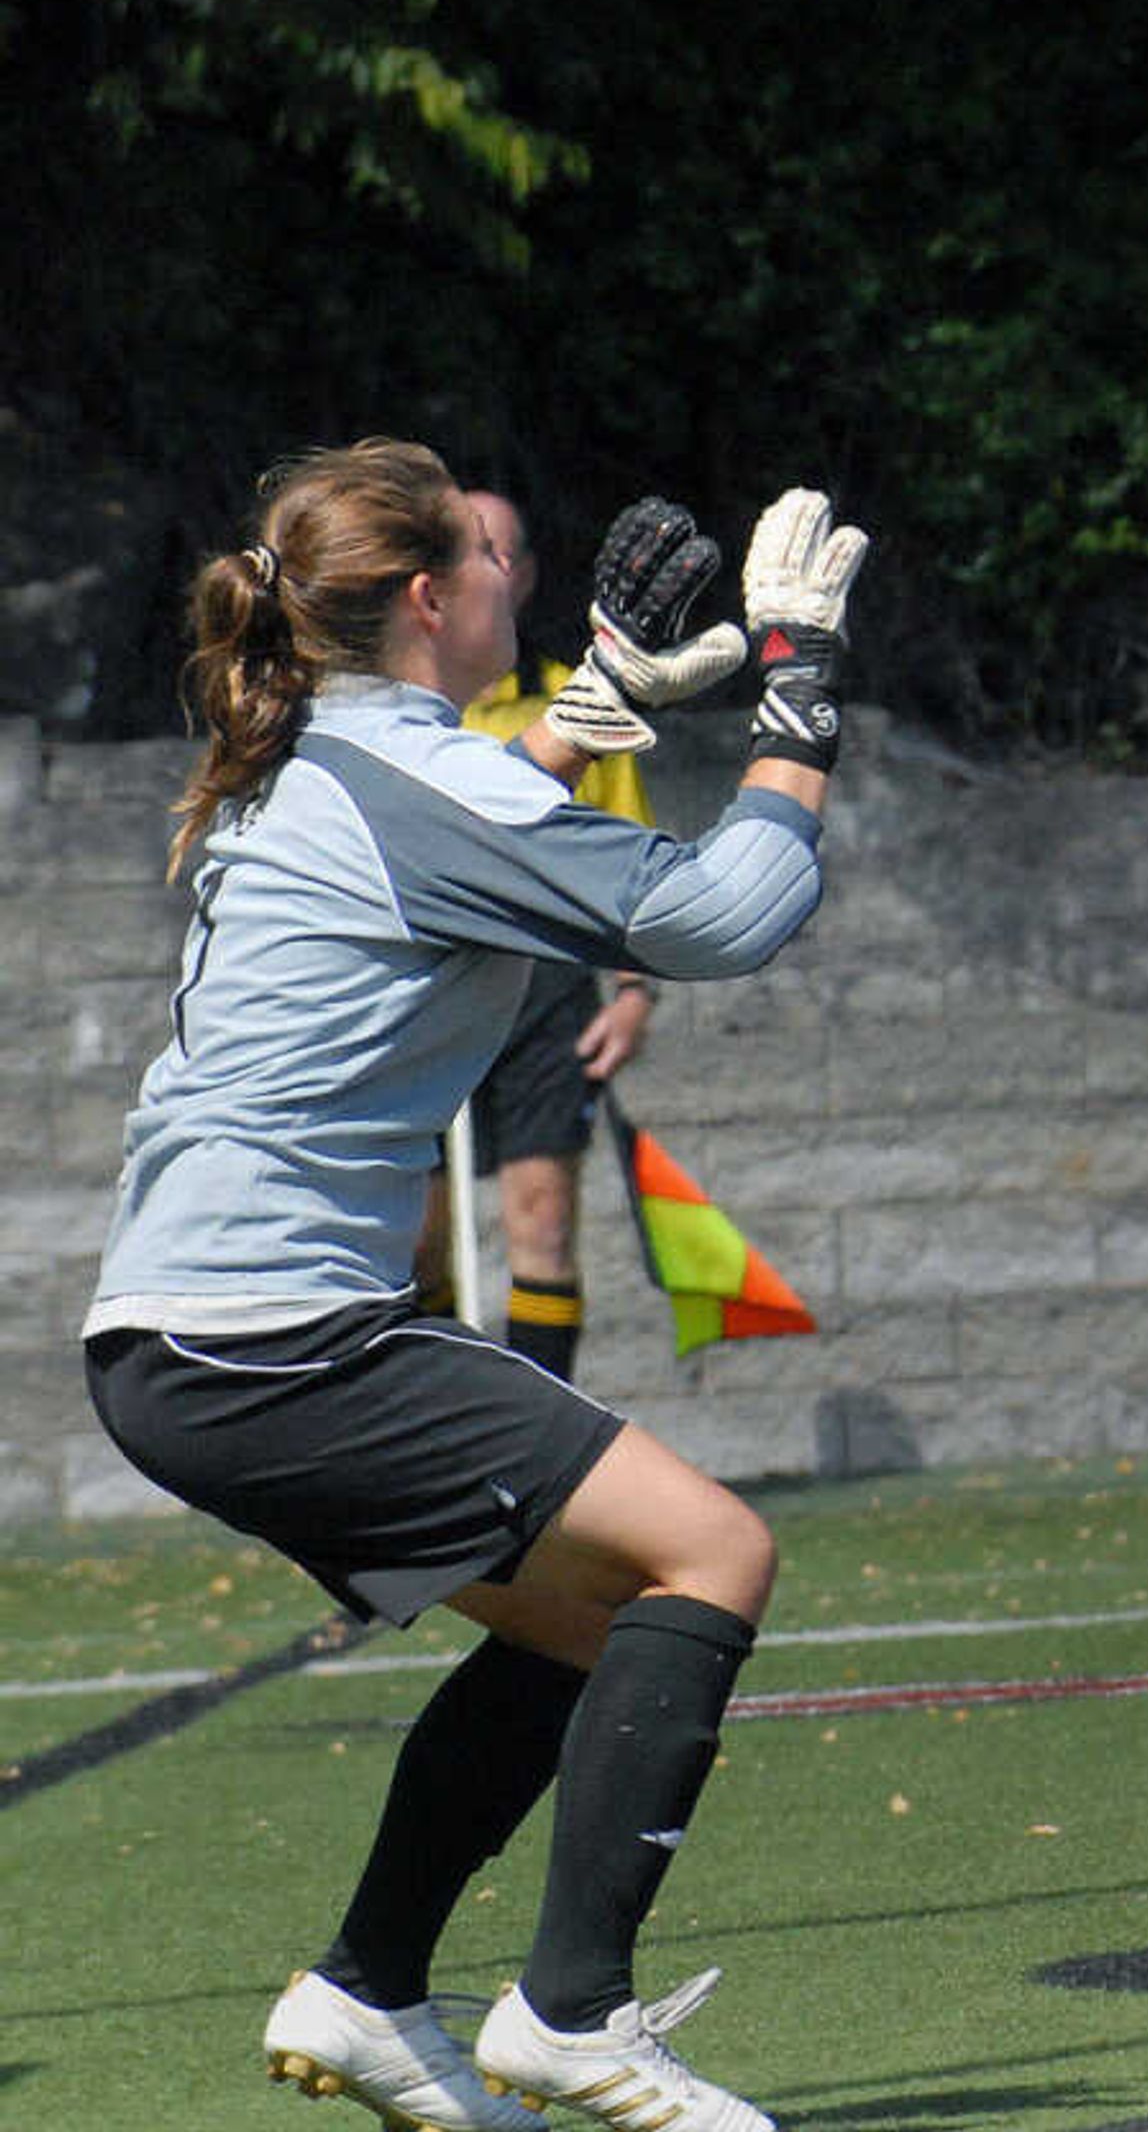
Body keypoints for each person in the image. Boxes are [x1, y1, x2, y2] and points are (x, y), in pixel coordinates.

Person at [83, 444, 860, 2132]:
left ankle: (369, 1994)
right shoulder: (412, 775)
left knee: (593, 1622)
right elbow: (723, 917)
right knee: (716, 1549)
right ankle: (571, 2017)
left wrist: (593, 707)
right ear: (433, 600)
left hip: (183, 1335)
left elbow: (440, 811)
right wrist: (800, 694)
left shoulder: (312, 752)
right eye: (495, 558)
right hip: (271, 1336)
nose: (525, 569)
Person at [415, 489, 669, 1376]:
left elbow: (629, 868)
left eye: (496, 552)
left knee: (542, 1219)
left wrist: (634, 995)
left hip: (545, 991)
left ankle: (536, 1465)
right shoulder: (398, 715)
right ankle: (442, 1447)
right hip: (425, 992)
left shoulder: (573, 700)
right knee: (418, 1242)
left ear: (520, 577)